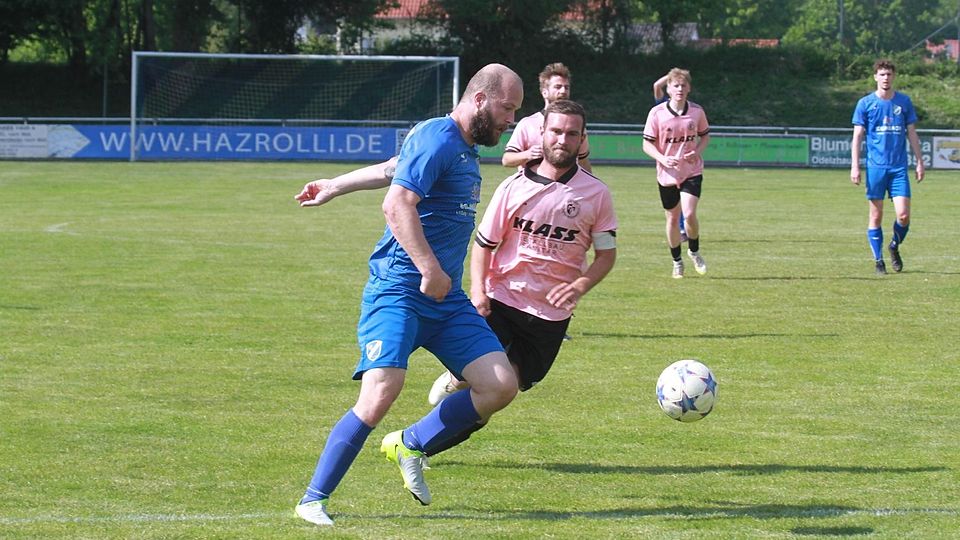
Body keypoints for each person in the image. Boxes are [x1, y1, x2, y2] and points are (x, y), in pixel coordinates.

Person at [293, 63, 524, 527]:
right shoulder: (439, 136)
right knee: (382, 391)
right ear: (480, 99)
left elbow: (391, 169)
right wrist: (430, 269)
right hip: (400, 289)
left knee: (500, 384)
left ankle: (410, 443)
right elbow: (396, 202)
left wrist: (335, 185)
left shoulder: (461, 146)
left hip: (444, 300)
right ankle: (312, 500)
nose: (511, 120)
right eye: (507, 108)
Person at [850, 59, 925, 275]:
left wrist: (919, 162)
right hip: (876, 168)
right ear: (875, 77)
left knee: (903, 216)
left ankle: (894, 246)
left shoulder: (903, 102)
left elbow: (912, 133)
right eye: (882, 74)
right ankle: (878, 261)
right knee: (876, 216)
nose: (885, 78)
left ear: (894, 77)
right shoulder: (865, 103)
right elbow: (857, 136)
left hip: (898, 168)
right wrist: (855, 166)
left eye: (889, 74)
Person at [642, 68, 710, 279]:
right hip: (667, 174)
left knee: (688, 213)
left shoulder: (697, 111)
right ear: (668, 89)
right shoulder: (657, 113)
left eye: (683, 85)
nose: (680, 89)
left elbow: (705, 136)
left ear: (689, 88)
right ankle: (677, 261)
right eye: (676, 85)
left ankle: (694, 251)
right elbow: (646, 144)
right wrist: (662, 159)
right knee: (672, 219)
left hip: (691, 171)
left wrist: (696, 152)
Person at [502, 62, 592, 172]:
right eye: (558, 87)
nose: (563, 91)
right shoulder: (527, 124)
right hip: (532, 183)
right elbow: (507, 159)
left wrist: (591, 182)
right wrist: (527, 154)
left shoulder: (575, 126)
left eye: (566, 87)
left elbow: (583, 160)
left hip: (568, 183)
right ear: (545, 92)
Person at [652, 72, 686, 243]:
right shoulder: (661, 107)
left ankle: (684, 228)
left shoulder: (685, 108)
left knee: (686, 196)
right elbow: (656, 86)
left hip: (684, 161)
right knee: (674, 198)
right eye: (675, 85)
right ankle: (680, 228)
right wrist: (671, 75)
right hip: (667, 161)